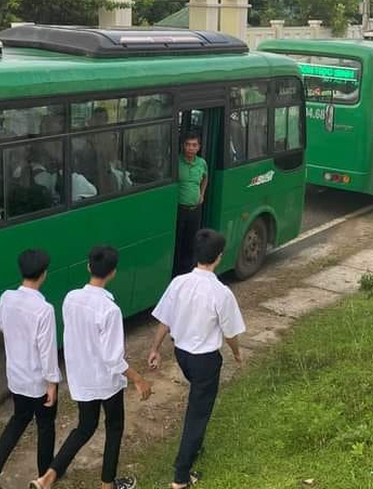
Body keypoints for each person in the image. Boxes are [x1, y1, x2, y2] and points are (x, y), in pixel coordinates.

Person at [31, 246, 152, 489]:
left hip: (81, 378)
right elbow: (113, 359)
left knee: (85, 427)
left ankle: (48, 476)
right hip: (106, 382)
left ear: (88, 267)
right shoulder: (110, 310)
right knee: (114, 427)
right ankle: (107, 484)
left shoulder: (70, 298)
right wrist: (138, 379)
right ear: (113, 272)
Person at [147, 229, 246, 489]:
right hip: (205, 360)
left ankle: (195, 446)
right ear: (219, 257)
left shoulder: (179, 283)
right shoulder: (221, 292)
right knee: (198, 414)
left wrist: (155, 348)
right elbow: (230, 333)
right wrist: (237, 353)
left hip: (182, 355)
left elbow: (165, 319)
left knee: (197, 402)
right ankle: (181, 477)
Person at [0, 249, 61, 488]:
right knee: (45, 426)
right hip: (38, 381)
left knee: (19, 419)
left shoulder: (6, 298)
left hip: (16, 376)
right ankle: (43, 476)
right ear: (44, 274)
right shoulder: (44, 309)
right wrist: (52, 383)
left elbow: (3, 327)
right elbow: (47, 351)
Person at [173, 132, 208, 275]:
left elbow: (205, 178)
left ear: (199, 147)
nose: (190, 148)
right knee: (177, 243)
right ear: (183, 146)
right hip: (179, 209)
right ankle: (175, 273)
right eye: (188, 145)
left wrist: (202, 194)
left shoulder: (202, 163)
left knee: (191, 243)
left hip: (195, 210)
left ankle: (186, 273)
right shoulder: (176, 161)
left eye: (194, 145)